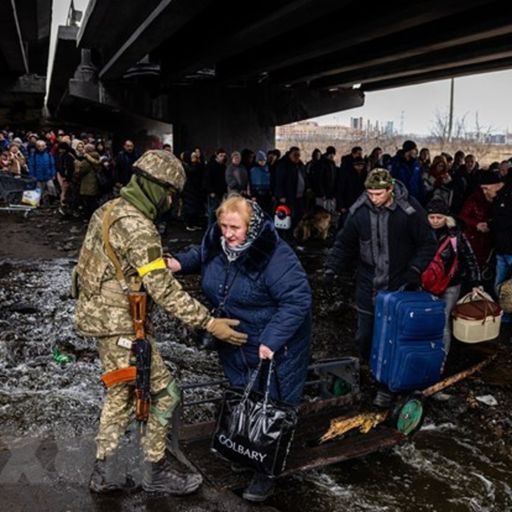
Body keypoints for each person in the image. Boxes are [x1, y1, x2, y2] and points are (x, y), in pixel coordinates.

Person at [74, 150, 247, 495]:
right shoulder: (138, 226)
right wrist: (209, 323)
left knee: (121, 394)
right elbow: (163, 290)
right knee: (167, 394)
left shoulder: (109, 210)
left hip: (101, 320)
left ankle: (103, 473)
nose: (171, 201)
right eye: (170, 193)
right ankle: (156, 472)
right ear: (156, 187)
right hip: (120, 325)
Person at [167, 195, 311, 502]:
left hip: (275, 345)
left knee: (271, 404)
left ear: (253, 225)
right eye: (223, 226)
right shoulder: (218, 242)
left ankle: (266, 472)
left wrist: (271, 340)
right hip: (235, 339)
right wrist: (178, 262)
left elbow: (298, 300)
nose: (228, 234)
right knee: (243, 393)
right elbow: (202, 255)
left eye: (235, 227)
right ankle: (244, 448)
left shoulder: (274, 255)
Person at [325, 169, 437, 407]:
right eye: (370, 193)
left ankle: (388, 386)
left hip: (399, 284)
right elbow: (344, 244)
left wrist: (415, 270)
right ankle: (368, 372)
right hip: (368, 283)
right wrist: (331, 268)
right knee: (364, 335)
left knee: (393, 338)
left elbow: (428, 243)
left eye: (378, 193)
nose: (373, 198)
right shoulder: (359, 212)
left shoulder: (409, 211)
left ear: (390, 190)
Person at [425, 198, 481, 360]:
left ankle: (440, 358)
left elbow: (470, 257)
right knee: (427, 317)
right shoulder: (420, 232)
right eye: (432, 217)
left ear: (446, 218)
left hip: (450, 285)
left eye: (439, 217)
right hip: (427, 284)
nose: (435, 221)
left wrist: (475, 283)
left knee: (443, 320)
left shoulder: (456, 235)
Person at [480, 173, 512, 326]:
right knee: (499, 287)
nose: (485, 192)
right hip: (500, 250)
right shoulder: (497, 198)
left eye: (487, 188)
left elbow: (505, 220)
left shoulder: (509, 196)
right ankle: (504, 318)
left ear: (497, 184)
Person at [275, 146, 306, 229]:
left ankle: (296, 233)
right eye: (295, 155)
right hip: (288, 196)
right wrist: (281, 195)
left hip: (300, 196)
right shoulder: (283, 165)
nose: (297, 157)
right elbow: (278, 181)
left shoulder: (300, 165)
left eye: (299, 155)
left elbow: (304, 177)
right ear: (290, 154)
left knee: (299, 215)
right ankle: (287, 236)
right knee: (289, 216)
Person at [75, 144, 101, 219]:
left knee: (88, 201)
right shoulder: (97, 157)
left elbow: (81, 171)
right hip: (95, 182)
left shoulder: (86, 160)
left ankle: (89, 216)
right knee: (93, 200)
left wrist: (77, 167)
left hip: (87, 184)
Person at [204, 148, 227, 225]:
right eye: (221, 155)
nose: (222, 157)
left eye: (223, 156)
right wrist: (210, 191)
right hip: (213, 192)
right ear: (216, 155)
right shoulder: (210, 166)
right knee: (212, 212)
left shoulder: (223, 166)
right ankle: (210, 228)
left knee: (219, 211)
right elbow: (207, 179)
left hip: (220, 192)